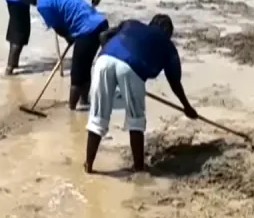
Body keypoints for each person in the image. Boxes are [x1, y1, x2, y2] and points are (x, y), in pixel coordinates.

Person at [84, 14, 198, 175]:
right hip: (132, 68)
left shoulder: (130, 23)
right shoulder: (167, 45)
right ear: (168, 31)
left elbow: (103, 35)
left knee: (97, 118)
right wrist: (187, 107)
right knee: (135, 120)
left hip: (103, 60)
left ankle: (88, 166)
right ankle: (139, 169)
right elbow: (174, 81)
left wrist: (112, 59)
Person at [18, 0, 108, 110]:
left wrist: (68, 37)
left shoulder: (42, 4)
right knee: (85, 66)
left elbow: (57, 26)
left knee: (76, 74)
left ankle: (71, 109)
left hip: (87, 30)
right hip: (101, 22)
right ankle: (84, 102)